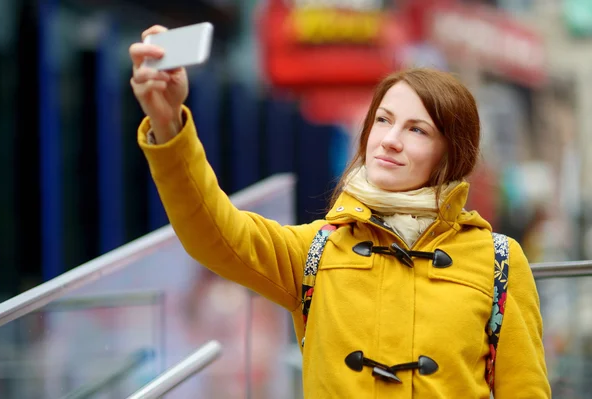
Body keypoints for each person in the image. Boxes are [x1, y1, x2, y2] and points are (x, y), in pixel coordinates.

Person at [129, 25, 551, 398]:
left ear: (451, 155)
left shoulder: (499, 262)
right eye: (383, 121)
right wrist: (169, 127)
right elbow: (212, 231)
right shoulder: (317, 250)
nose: (389, 140)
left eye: (416, 129)